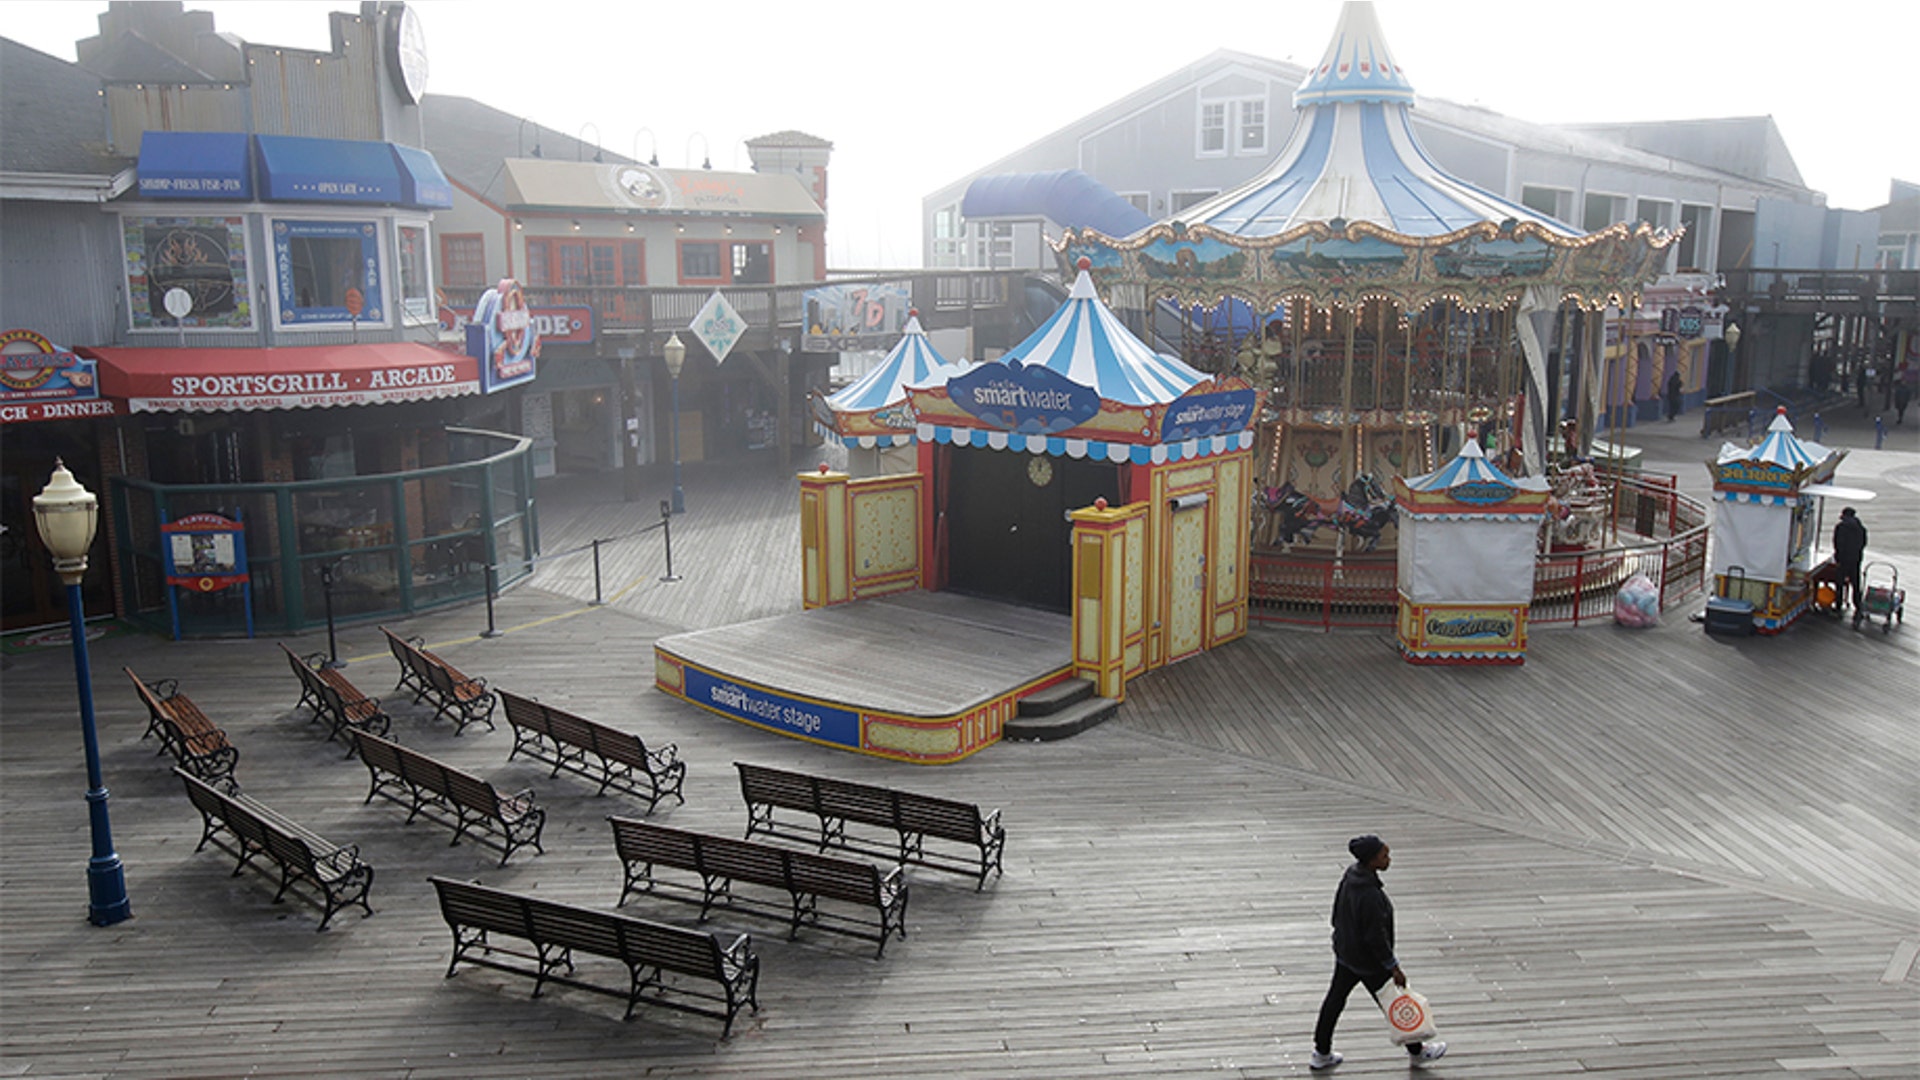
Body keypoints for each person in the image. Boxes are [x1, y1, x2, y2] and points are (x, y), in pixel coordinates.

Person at [1311, 835, 1447, 1070]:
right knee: (1395, 1002)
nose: (1389, 859)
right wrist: (1393, 966)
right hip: (1369, 962)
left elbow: (1336, 913)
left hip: (1346, 953)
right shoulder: (1370, 895)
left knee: (1335, 1000)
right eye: (1384, 855)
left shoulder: (1351, 876)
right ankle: (1417, 1052)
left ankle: (1321, 1052)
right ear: (1372, 860)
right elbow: (1376, 937)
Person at [1832, 507, 1867, 616]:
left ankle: (1838, 606)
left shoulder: (1841, 527)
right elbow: (1863, 543)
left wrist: (1838, 557)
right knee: (1855, 584)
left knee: (1840, 583)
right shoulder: (1861, 528)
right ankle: (1858, 605)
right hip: (1856, 559)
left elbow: (1838, 543)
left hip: (1843, 559)